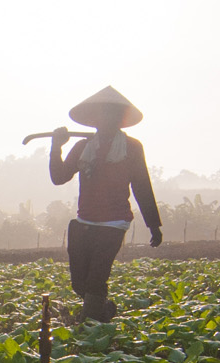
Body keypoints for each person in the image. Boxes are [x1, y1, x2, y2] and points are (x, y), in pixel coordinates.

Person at [49, 86, 162, 322]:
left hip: (114, 223)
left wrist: (154, 225)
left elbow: (142, 186)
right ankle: (103, 309)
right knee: (80, 283)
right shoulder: (82, 148)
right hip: (84, 221)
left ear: (120, 120)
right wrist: (56, 147)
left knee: (96, 279)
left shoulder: (132, 148)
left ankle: (89, 327)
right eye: (102, 115)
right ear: (94, 120)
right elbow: (59, 178)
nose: (106, 120)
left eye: (112, 115)